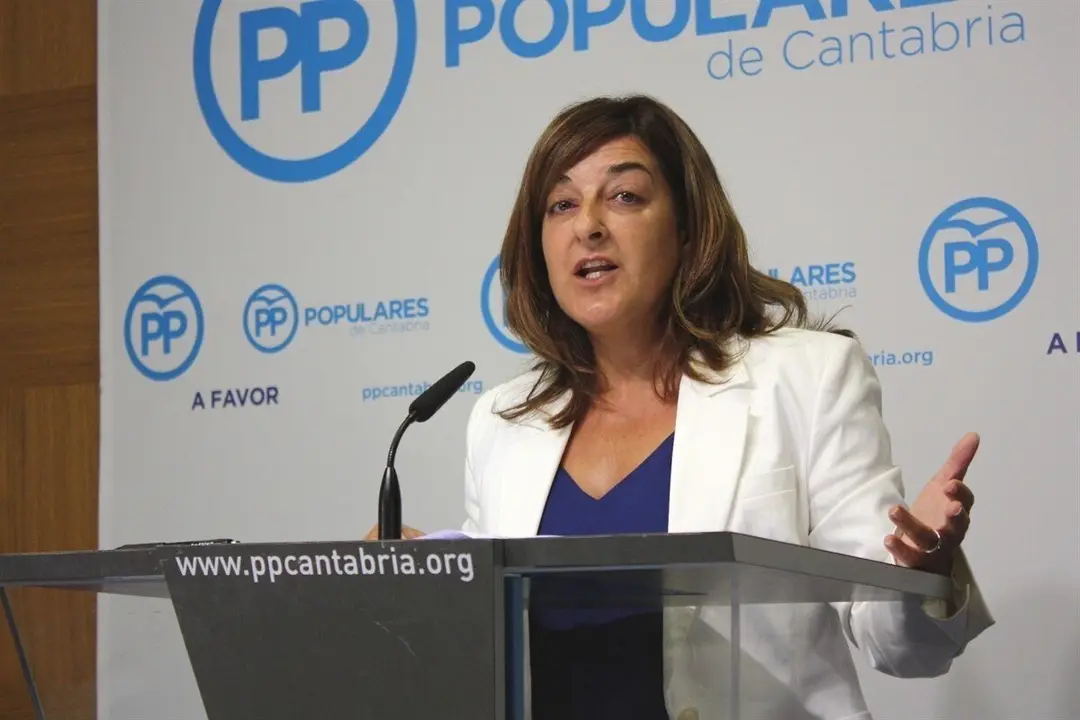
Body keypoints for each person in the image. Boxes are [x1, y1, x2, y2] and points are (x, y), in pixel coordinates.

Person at [368, 95, 993, 720]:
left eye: (624, 196)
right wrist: (425, 590)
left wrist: (924, 572)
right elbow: (494, 649)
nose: (588, 226)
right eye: (561, 204)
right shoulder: (503, 419)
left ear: (688, 228)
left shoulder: (806, 378)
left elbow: (900, 645)